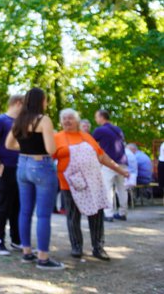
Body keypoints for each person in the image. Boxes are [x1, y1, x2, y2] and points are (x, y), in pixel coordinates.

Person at [53, 108, 129, 261]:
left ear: (77, 121)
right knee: (73, 217)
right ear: (61, 122)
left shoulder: (87, 137)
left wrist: (119, 170)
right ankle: (76, 247)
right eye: (64, 118)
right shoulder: (57, 138)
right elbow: (48, 158)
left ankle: (98, 248)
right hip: (69, 184)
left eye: (70, 118)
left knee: (96, 216)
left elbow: (102, 156)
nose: (67, 121)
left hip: (92, 183)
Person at [6, 87, 64, 270]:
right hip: (41, 166)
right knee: (43, 214)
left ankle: (26, 252)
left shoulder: (19, 120)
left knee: (25, 211)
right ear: (41, 101)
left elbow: (9, 144)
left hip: (22, 166)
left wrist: (26, 149)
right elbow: (51, 149)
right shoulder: (44, 120)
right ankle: (43, 258)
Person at [0, 94, 24, 256]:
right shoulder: (1, 120)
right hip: (5, 167)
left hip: (20, 167)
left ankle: (16, 239)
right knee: (5, 204)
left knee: (17, 204)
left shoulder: (21, 122)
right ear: (18, 103)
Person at [92, 109, 128, 222]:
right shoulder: (118, 129)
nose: (96, 119)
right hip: (122, 162)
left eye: (96, 117)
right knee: (122, 189)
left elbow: (92, 144)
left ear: (102, 117)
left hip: (109, 163)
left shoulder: (99, 130)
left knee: (107, 188)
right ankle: (123, 213)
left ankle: (108, 214)